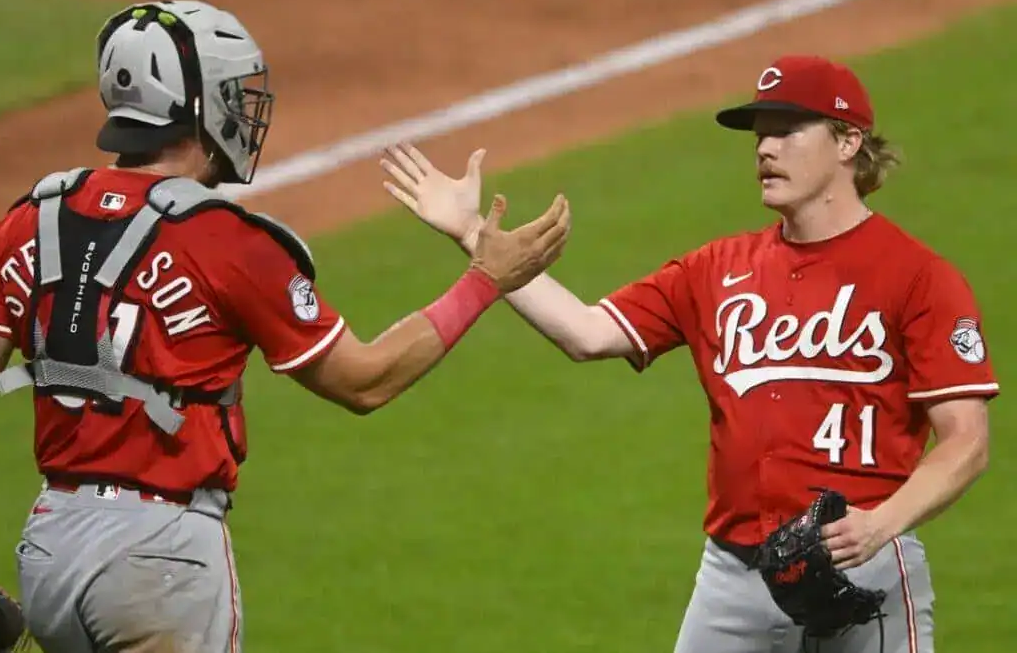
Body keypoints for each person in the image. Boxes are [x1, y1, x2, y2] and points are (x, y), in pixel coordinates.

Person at [0, 0, 570, 653]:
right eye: (231, 94)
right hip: (157, 562)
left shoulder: (30, 221)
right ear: (192, 107)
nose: (243, 111)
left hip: (48, 549)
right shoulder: (226, 242)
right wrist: (484, 280)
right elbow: (364, 381)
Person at [380, 54, 999, 652]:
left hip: (861, 565)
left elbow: (966, 441)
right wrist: (470, 234)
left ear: (847, 142)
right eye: (760, 134)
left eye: (788, 130)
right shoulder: (717, 269)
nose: (764, 148)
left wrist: (879, 526)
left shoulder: (918, 278)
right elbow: (587, 332)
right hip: (733, 580)